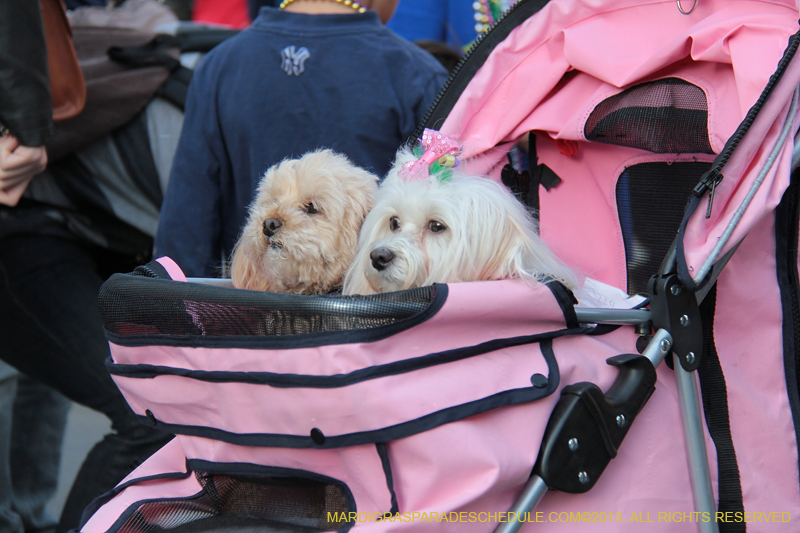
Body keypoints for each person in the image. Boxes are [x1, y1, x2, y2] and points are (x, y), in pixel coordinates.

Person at [0, 3, 172, 532]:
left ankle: (30, 512)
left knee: (50, 386)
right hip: (23, 205)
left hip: (41, 213)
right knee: (149, 413)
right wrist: (28, 128)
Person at [155, 0, 449, 277]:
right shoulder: (414, 73)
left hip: (251, 303)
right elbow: (444, 223)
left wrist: (183, 307)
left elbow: (186, 228)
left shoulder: (221, 65)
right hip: (373, 305)